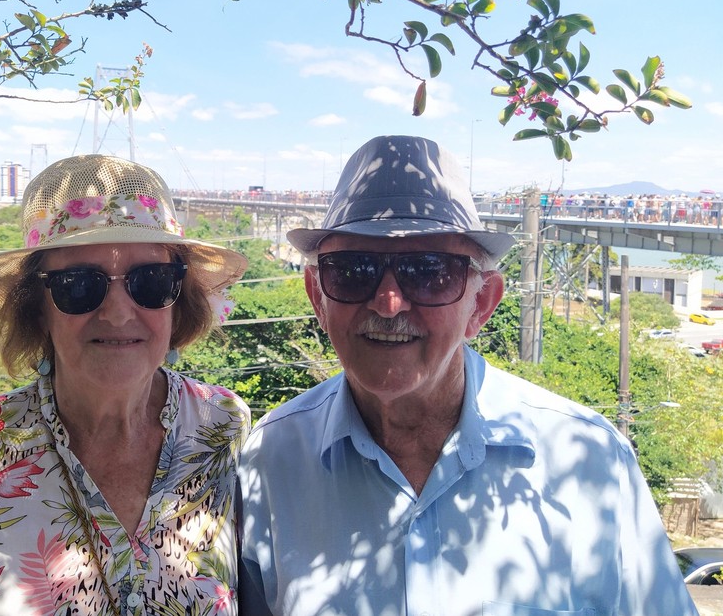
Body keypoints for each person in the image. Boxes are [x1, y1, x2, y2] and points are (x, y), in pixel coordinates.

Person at [237, 135, 699, 616]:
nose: (389, 302)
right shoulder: (270, 463)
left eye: (429, 271)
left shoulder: (593, 463)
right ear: (317, 295)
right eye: (353, 270)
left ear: (481, 303)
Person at [0, 154, 250, 614]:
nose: (118, 313)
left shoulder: (224, 428)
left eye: (152, 281)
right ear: (36, 307)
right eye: (79, 284)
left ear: (180, 301)